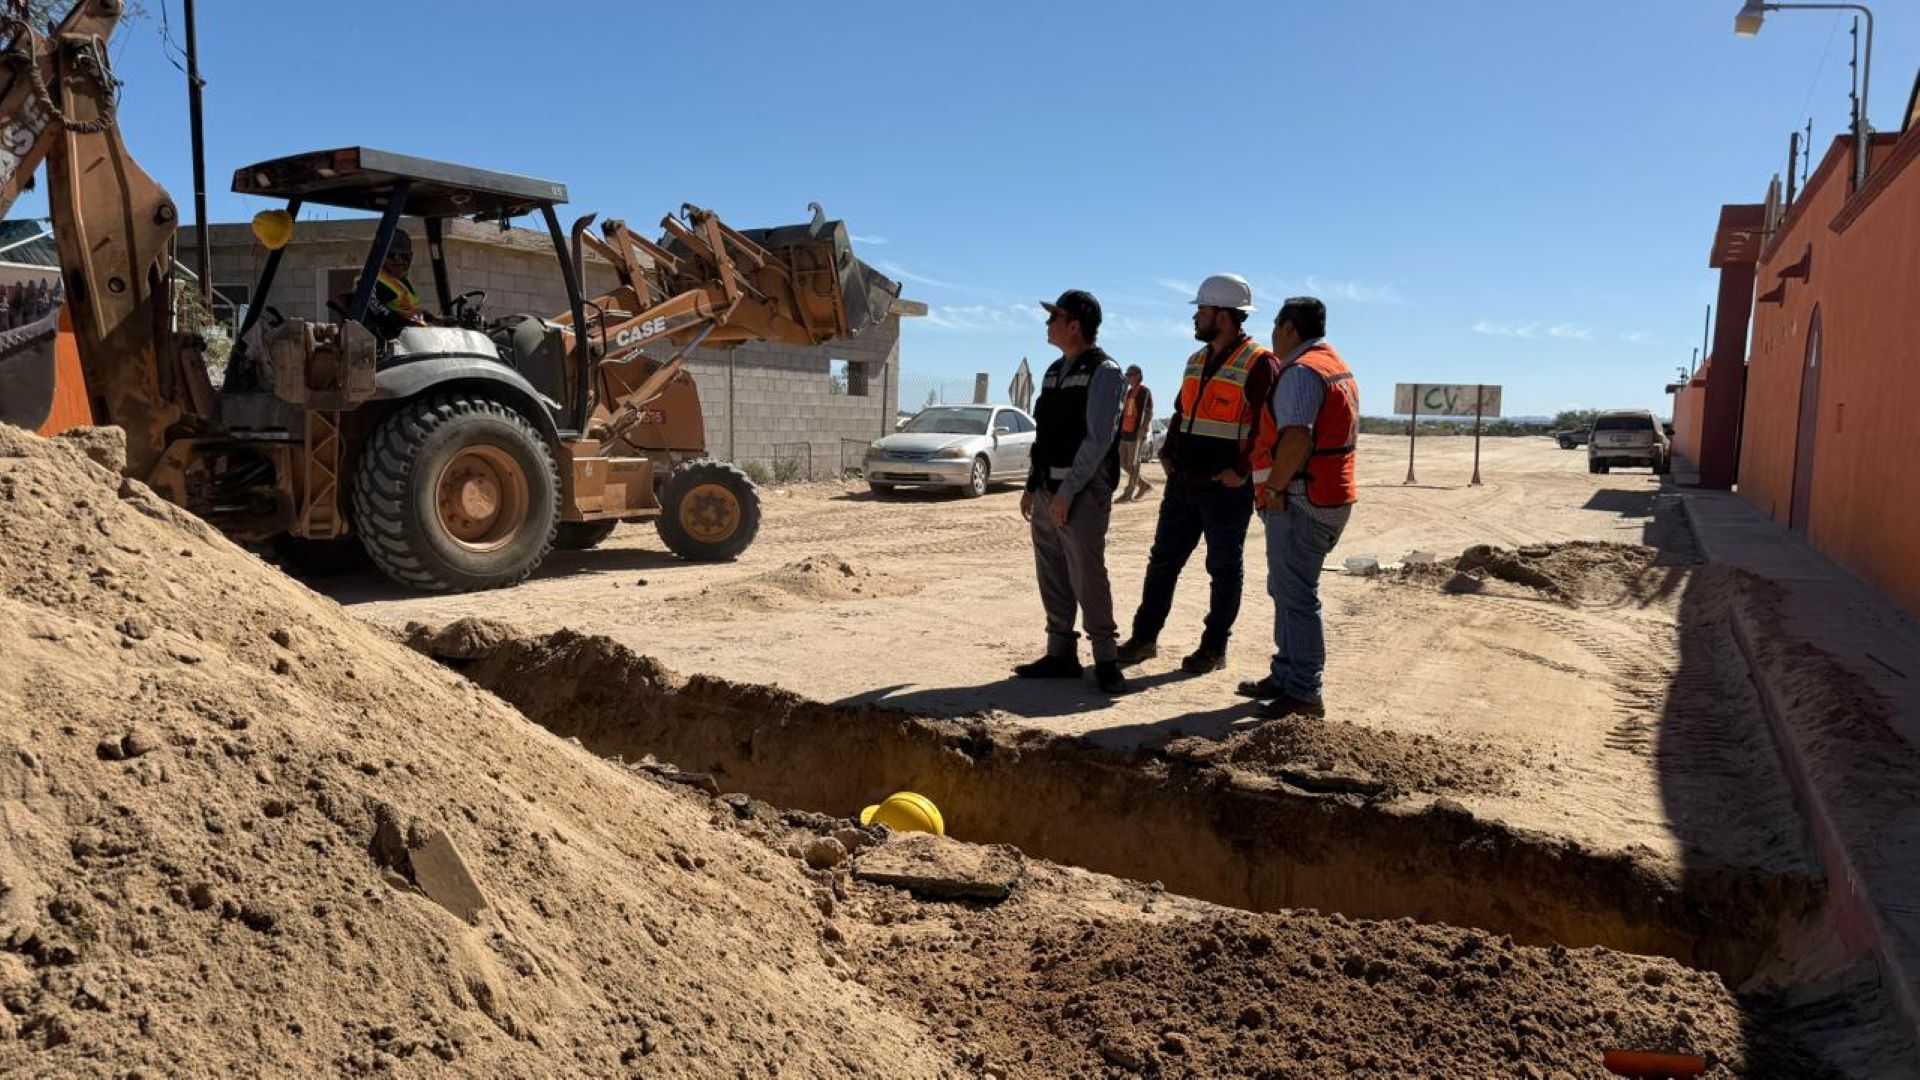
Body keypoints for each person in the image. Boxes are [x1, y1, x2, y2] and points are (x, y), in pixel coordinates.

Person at [1115, 273, 1280, 674]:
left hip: (1226, 489)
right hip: (1184, 482)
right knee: (1163, 562)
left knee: (1223, 568)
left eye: (1202, 311)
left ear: (1223, 315)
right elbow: (1182, 412)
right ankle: (1144, 638)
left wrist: (1242, 471)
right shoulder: (1196, 361)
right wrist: (1169, 453)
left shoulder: (1259, 364)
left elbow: (1266, 425)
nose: (1195, 318)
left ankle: (1213, 647)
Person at [1235, 296, 1359, 718]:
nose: (1271, 334)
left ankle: (1304, 691)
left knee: (1297, 596)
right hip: (1325, 494)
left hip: (1302, 501)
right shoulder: (1331, 364)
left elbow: (1296, 438)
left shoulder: (1302, 373)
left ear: (1289, 328)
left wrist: (1275, 489)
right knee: (1285, 589)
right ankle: (1286, 673)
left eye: (1275, 325)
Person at [1017, 289, 1128, 695]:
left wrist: (1067, 491)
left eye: (1055, 317)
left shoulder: (1105, 371)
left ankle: (1107, 661)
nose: (1048, 324)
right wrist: (1034, 485)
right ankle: (1060, 653)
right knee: (1052, 570)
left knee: (1087, 573)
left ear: (1075, 325)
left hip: (1081, 491)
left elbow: (1098, 439)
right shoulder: (1052, 371)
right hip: (1048, 488)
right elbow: (1043, 435)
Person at [1116, 364, 1156, 503]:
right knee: (1122, 462)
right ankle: (1144, 485)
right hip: (1125, 432)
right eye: (1127, 375)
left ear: (1138, 375)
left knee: (1133, 465)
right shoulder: (1128, 392)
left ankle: (1128, 494)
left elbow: (1149, 412)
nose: (1129, 377)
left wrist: (1143, 428)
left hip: (1136, 434)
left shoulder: (1144, 391)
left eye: (1131, 375)